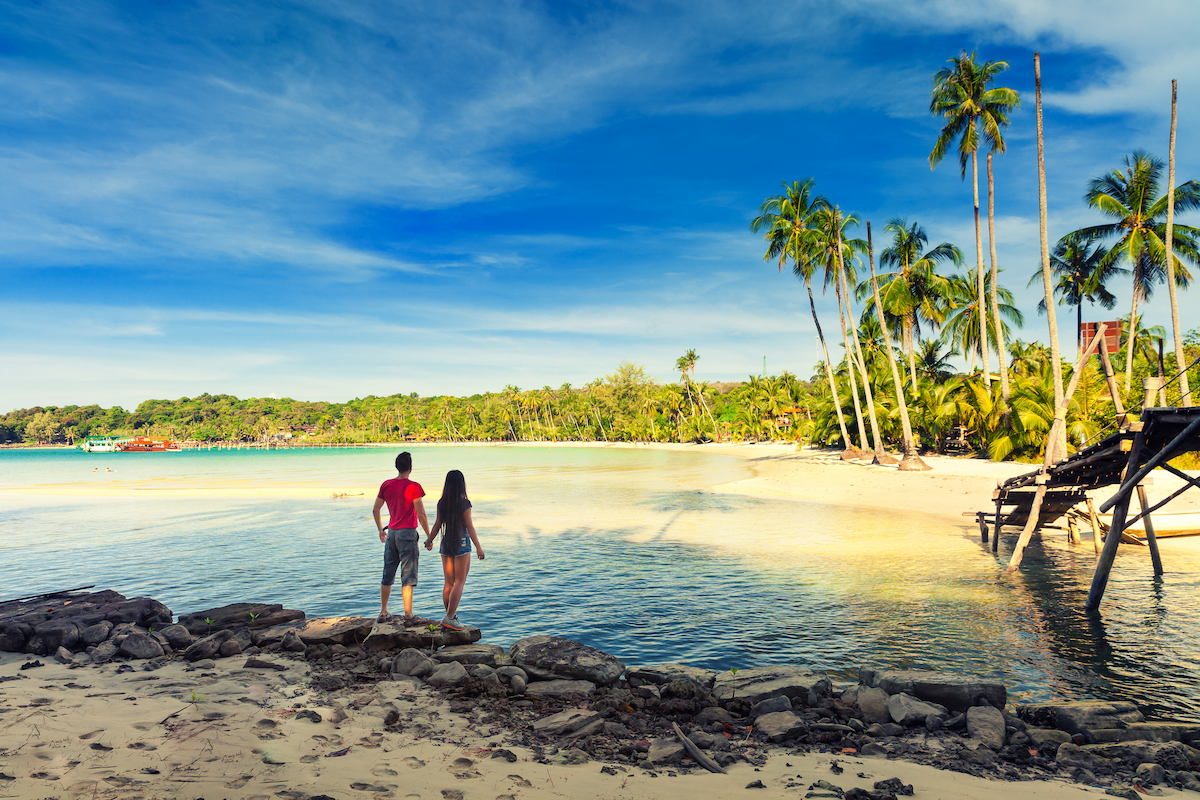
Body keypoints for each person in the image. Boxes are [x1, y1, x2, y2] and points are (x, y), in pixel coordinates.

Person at [372, 451, 430, 624]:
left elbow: (375, 509)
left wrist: (380, 530)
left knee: (387, 573)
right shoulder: (414, 487)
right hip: (407, 534)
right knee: (408, 576)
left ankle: (383, 612)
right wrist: (429, 536)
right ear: (411, 467)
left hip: (392, 534)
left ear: (397, 466)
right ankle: (408, 615)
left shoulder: (386, 485)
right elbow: (421, 514)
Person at [425, 469, 484, 631]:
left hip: (445, 544)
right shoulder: (464, 503)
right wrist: (478, 547)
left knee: (448, 582)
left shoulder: (441, 502)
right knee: (460, 581)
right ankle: (450, 617)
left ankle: (449, 617)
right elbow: (469, 526)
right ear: (461, 485)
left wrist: (429, 540)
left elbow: (437, 525)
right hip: (461, 543)